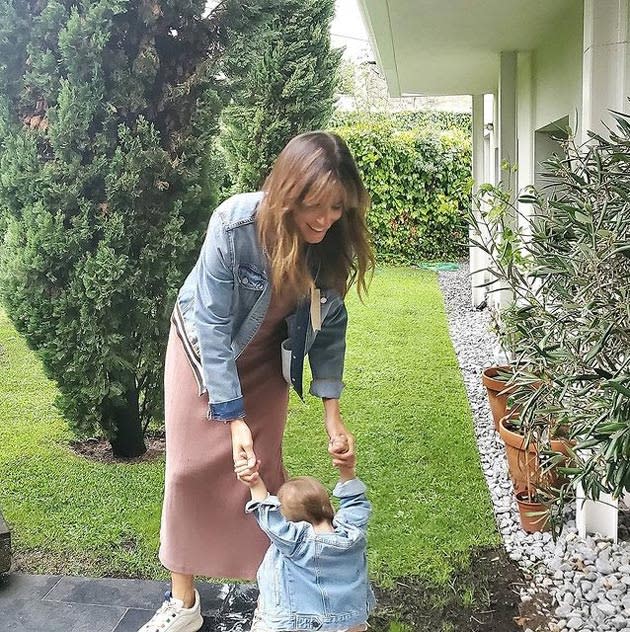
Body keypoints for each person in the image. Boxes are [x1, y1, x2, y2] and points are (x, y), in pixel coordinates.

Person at [138, 131, 374, 632]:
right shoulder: (235, 223)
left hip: (268, 359)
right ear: (289, 191)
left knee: (260, 471)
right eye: (314, 205)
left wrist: (333, 414)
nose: (324, 219)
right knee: (187, 472)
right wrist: (232, 417)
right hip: (201, 350)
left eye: (336, 207)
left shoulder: (329, 243)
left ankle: (277, 593)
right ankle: (183, 604)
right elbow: (214, 327)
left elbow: (330, 329)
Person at [235, 435, 375, 632]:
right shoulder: (352, 532)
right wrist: (347, 469)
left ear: (289, 521)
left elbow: (266, 513)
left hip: (297, 623)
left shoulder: (295, 542)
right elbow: (355, 502)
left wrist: (254, 482)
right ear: (330, 507)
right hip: (349, 621)